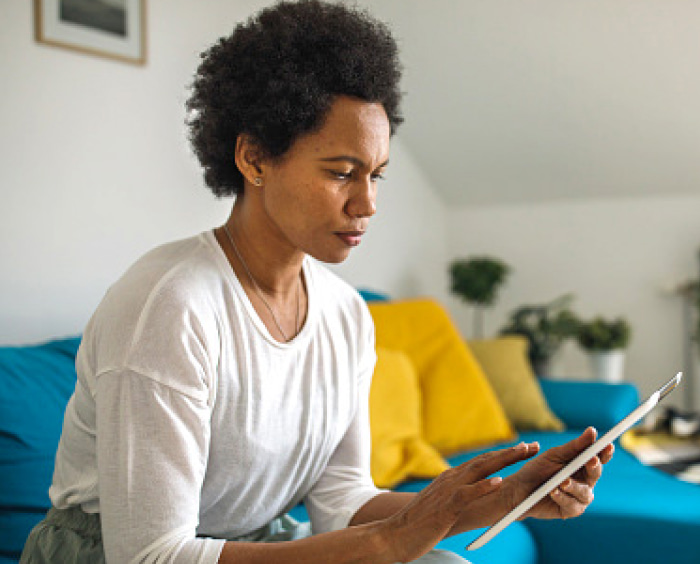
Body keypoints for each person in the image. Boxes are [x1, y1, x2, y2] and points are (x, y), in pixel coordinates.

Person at [20, 1, 613, 563]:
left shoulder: (346, 315)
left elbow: (343, 503)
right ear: (254, 159)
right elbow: (152, 555)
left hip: (256, 546)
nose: (367, 203)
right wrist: (390, 543)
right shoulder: (170, 306)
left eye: (376, 175)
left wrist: (508, 498)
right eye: (341, 173)